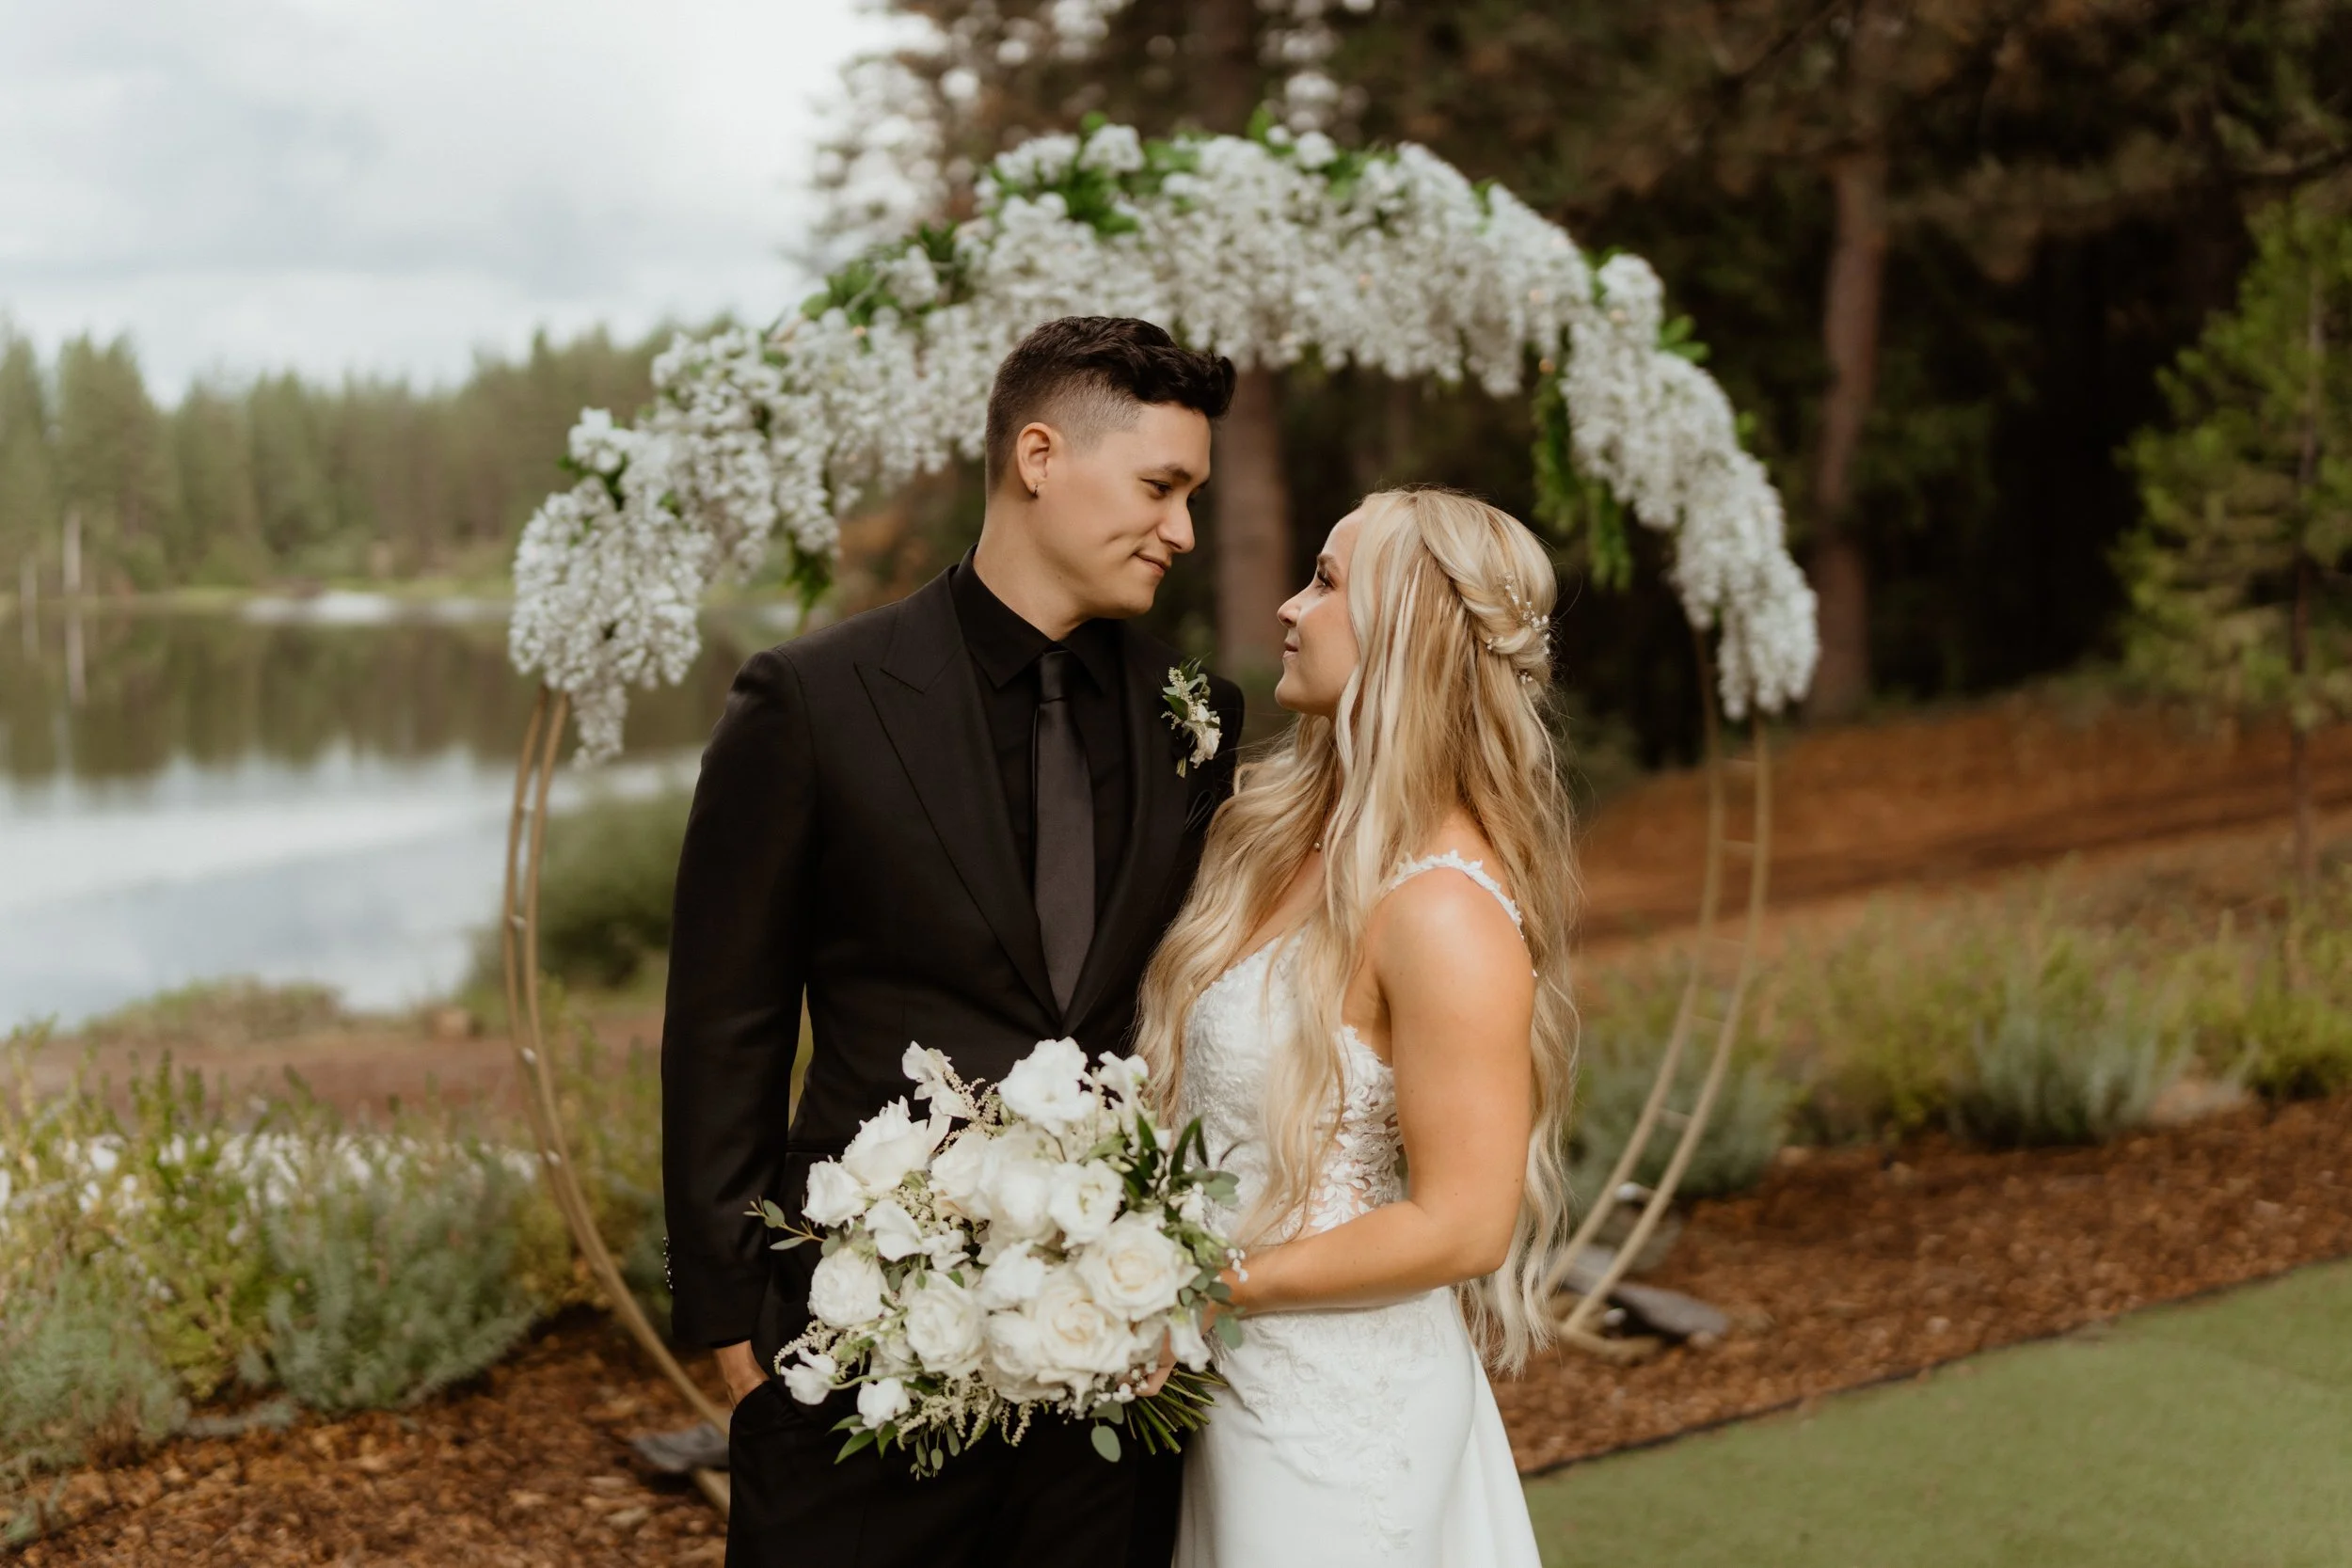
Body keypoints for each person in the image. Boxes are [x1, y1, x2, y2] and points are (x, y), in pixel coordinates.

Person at [659, 314, 1245, 1568]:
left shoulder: (1191, 715)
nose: (1183, 530)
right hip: (860, 1335)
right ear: (1040, 455)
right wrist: (730, 1320)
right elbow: (725, 1019)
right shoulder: (810, 701)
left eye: (1192, 495)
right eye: (1160, 486)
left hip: (1109, 1365)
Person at [1135, 485, 1574, 1567]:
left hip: (1337, 1420)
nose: (1289, 605)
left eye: (1327, 580)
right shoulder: (1282, 837)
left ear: (1411, 628)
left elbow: (1464, 1226)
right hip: (1229, 1394)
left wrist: (1207, 1284)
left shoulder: (1444, 909)